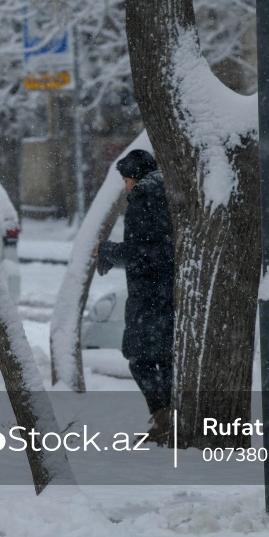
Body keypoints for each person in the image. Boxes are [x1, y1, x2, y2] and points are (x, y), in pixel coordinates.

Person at [97, 149, 174, 444]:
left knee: (139, 357)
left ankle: (163, 418)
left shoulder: (144, 197)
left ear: (135, 177)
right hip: (169, 291)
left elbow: (142, 254)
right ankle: (168, 420)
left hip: (149, 294)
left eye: (127, 179)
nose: (126, 186)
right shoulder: (166, 193)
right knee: (165, 359)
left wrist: (108, 251)